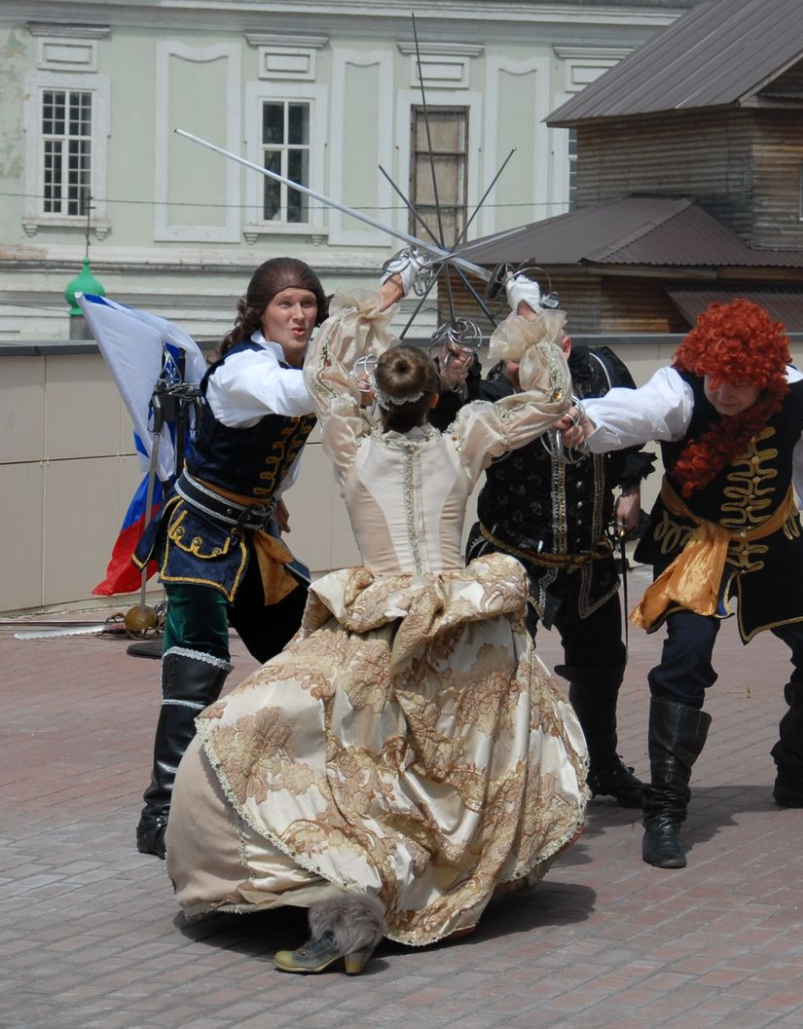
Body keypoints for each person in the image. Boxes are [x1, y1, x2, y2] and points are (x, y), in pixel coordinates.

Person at [163, 270, 588, 971]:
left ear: (376, 395)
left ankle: (350, 885)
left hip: (383, 618)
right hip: (466, 626)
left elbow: (325, 365)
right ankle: (427, 878)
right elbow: (549, 398)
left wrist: (386, 294)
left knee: (289, 738)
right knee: (449, 762)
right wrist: (524, 311)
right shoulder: (465, 438)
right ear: (434, 397)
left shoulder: (350, 441)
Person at [560, 298, 803, 869]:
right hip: (694, 543)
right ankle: (664, 810)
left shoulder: (801, 393)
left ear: (766, 379)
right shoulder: (681, 391)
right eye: (715, 376)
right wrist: (584, 421)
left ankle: (801, 775)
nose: (722, 391)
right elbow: (636, 411)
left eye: (739, 382)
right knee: (685, 662)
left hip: (774, 540)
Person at [133, 257, 404, 859]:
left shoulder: (299, 364)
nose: (299, 315)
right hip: (199, 536)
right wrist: (369, 320)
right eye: (286, 304)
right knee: (198, 662)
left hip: (253, 540)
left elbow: (289, 434)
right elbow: (293, 397)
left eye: (308, 304)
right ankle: (160, 812)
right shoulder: (244, 369)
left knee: (315, 650)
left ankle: (309, 788)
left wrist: (273, 494)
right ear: (260, 312)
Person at [432, 271, 653, 808]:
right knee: (499, 673)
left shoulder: (603, 369)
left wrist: (630, 489)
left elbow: (633, 428)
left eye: (531, 357)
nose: (519, 370)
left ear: (565, 348)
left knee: (603, 663)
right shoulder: (491, 393)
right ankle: (496, 785)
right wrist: (448, 385)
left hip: (588, 557)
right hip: (511, 557)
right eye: (511, 361)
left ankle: (601, 766)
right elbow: (443, 431)